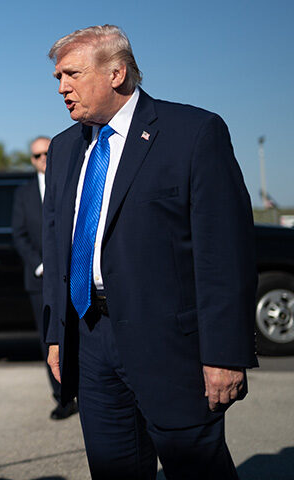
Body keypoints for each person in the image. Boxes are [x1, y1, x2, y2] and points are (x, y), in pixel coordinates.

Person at [42, 25, 256, 479]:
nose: (62, 87)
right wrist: (57, 335)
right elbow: (56, 243)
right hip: (91, 338)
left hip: (172, 347)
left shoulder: (194, 133)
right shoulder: (64, 148)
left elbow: (225, 255)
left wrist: (225, 353)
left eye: (72, 74)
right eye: (58, 77)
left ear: (117, 73)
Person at [12, 136, 77, 420]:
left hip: (75, 274)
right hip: (39, 280)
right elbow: (19, 234)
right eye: (37, 155)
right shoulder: (23, 193)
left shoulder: (72, 181)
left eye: (48, 153)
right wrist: (40, 265)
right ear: (32, 160)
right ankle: (62, 398)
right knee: (49, 340)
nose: (43, 159)